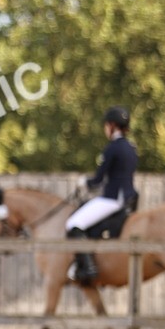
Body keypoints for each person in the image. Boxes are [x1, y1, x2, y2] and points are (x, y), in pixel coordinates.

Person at [65, 105, 138, 284]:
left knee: (73, 223)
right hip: (130, 196)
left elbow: (97, 180)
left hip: (113, 199)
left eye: (106, 125)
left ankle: (88, 267)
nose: (105, 129)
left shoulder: (112, 148)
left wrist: (84, 182)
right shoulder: (131, 147)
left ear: (112, 125)